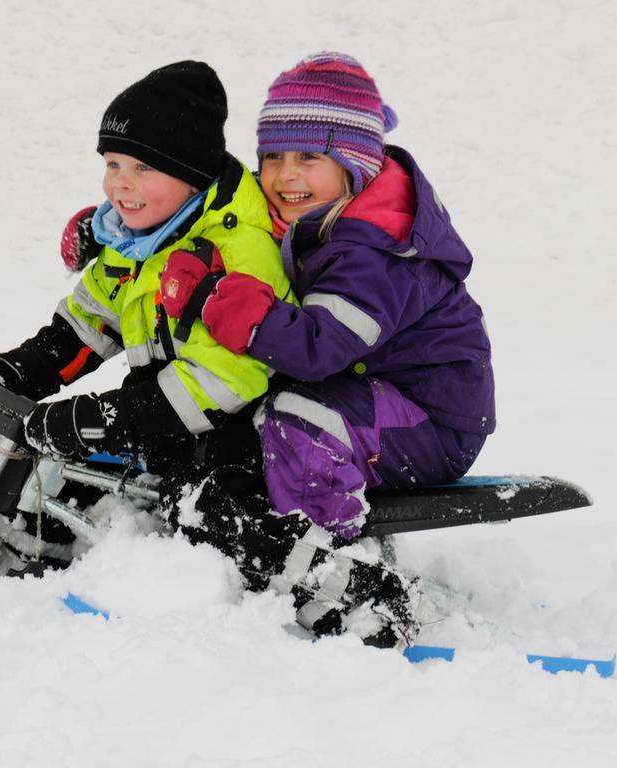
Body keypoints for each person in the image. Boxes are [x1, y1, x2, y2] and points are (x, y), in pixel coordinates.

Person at [155, 52, 496, 643]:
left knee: (299, 418)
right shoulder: (315, 214)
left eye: (310, 157)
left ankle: (335, 577)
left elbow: (318, 348)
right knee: (249, 403)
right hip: (369, 391)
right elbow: (217, 214)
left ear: (355, 165)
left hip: (428, 415)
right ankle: (257, 533)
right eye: (272, 157)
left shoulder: (375, 250)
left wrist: (219, 301)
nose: (286, 175)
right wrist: (122, 224)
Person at [0, 61, 296, 582]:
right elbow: (83, 329)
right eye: (113, 164)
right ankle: (33, 563)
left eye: (143, 168)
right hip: (155, 421)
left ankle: (304, 590)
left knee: (205, 515)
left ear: (191, 173)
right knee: (57, 485)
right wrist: (17, 371)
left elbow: (228, 378)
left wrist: (109, 419)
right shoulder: (135, 239)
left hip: (241, 430)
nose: (121, 184)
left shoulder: (239, 248)